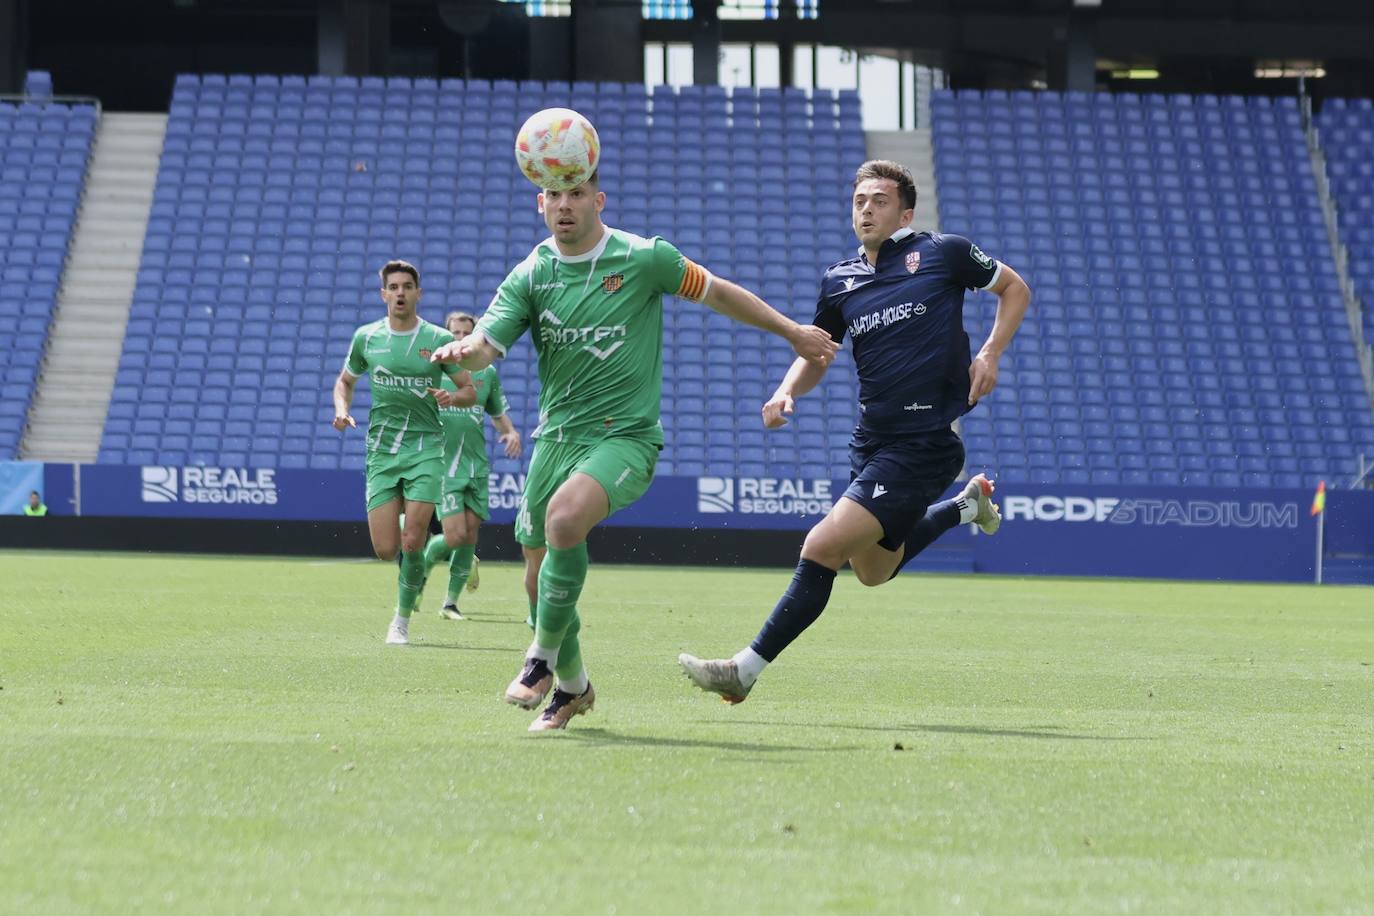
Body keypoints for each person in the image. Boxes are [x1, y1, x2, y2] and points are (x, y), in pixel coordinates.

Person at [430, 169, 838, 731]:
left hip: (625, 436)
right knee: (535, 579)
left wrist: (792, 332)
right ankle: (573, 688)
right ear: (540, 204)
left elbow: (718, 291)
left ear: (598, 200)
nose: (565, 205)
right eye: (555, 196)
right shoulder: (532, 273)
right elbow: (485, 347)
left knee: (565, 520)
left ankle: (539, 660)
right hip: (555, 440)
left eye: (577, 195)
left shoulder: (645, 258)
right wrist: (461, 349)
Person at [678, 159, 1032, 704]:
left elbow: (1015, 289)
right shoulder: (839, 280)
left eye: (880, 200)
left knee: (821, 545)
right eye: (860, 200)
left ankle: (743, 670)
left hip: (926, 441)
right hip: (873, 439)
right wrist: (787, 390)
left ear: (906, 212)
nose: (866, 209)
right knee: (873, 569)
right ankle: (967, 507)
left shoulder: (945, 253)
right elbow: (818, 351)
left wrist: (991, 352)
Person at [332, 260, 477, 646]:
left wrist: (453, 396)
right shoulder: (367, 338)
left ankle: (401, 619)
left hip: (426, 447)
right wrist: (342, 410)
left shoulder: (438, 338)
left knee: (413, 541)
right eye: (393, 287)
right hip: (382, 450)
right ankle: (407, 528)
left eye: (407, 286)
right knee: (386, 550)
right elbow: (345, 382)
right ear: (384, 294)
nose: (400, 292)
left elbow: (469, 389)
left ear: (418, 293)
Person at [419, 309, 523, 621]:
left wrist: (511, 433)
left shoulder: (487, 374)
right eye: (455, 333)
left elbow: (497, 414)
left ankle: (449, 604)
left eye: (467, 333)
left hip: (476, 465)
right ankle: (417, 576)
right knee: (454, 537)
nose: (461, 339)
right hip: (444, 463)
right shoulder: (435, 370)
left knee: (470, 534)